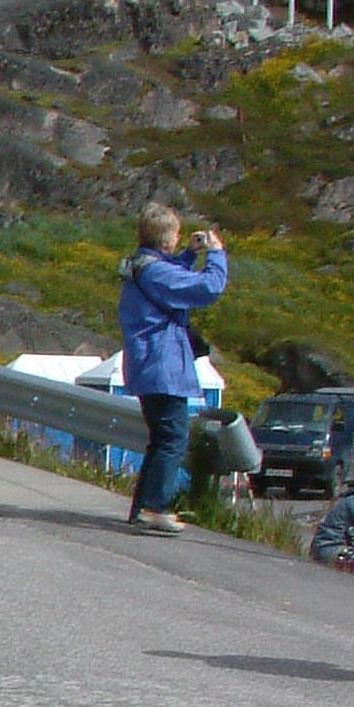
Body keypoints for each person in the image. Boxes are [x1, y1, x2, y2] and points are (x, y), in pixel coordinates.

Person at [115, 203, 228, 536]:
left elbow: (168, 279)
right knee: (173, 438)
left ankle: (144, 506)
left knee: (161, 439)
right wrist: (216, 254)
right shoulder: (155, 273)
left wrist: (189, 256)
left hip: (149, 363)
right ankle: (155, 507)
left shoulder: (142, 267)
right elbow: (207, 288)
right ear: (166, 238)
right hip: (162, 365)